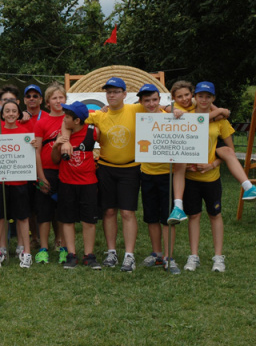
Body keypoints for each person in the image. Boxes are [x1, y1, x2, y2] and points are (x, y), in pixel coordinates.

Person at [62, 77, 144, 271]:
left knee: (127, 212)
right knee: (108, 212)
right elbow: (69, 120)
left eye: (116, 91)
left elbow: (160, 109)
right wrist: (65, 140)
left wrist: (217, 111)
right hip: (106, 167)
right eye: (109, 92)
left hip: (130, 168)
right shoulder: (99, 115)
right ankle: (111, 252)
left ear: (125, 94)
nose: (112, 95)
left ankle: (129, 255)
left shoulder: (136, 109)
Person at [167, 81, 256, 224]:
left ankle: (248, 186)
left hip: (209, 148)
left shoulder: (213, 115)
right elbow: (163, 109)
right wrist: (221, 111)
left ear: (191, 96)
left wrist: (213, 164)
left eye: (187, 95)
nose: (184, 99)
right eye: (200, 96)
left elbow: (230, 148)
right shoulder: (179, 109)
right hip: (187, 148)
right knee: (180, 163)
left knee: (227, 150)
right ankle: (178, 207)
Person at [182, 82, 233, 272]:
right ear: (195, 97)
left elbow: (230, 152)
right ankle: (193, 256)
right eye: (200, 96)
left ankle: (218, 257)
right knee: (193, 215)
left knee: (215, 215)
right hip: (190, 177)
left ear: (213, 99)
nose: (204, 100)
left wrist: (212, 164)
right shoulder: (185, 117)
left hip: (211, 177)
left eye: (208, 97)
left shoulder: (220, 121)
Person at [135, 84, 180, 274]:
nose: (151, 103)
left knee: (168, 217)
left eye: (154, 100)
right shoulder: (138, 115)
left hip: (166, 174)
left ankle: (169, 257)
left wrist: (175, 110)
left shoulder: (170, 117)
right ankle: (157, 254)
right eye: (147, 100)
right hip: (146, 173)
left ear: (159, 100)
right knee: (151, 217)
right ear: (141, 102)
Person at [51, 102, 100, 270]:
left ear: (77, 120)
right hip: (67, 183)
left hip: (88, 183)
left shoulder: (93, 132)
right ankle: (71, 255)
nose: (64, 119)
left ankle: (89, 255)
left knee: (89, 221)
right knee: (67, 219)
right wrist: (58, 145)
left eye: (67, 117)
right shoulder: (64, 133)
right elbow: (55, 160)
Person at [0, 100, 33, 268]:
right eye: (8, 111)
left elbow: (30, 151)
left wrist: (33, 145)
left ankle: (26, 253)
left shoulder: (25, 131)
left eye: (14, 111)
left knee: (22, 217)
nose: (11, 114)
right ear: (3, 114)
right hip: (0, 181)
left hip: (20, 181)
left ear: (19, 113)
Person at [33, 82, 68, 265]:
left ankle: (63, 247)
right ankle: (43, 249)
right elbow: (36, 151)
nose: (58, 100)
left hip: (66, 171)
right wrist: (40, 176)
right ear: (47, 102)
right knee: (44, 213)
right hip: (47, 171)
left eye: (61, 97)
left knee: (63, 212)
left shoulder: (70, 119)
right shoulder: (42, 122)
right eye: (54, 98)